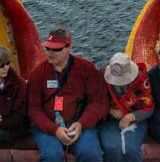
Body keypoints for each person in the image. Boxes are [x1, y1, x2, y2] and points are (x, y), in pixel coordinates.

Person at [27, 27, 107, 162]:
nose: (50, 53)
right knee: (52, 156)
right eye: (48, 48)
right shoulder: (37, 74)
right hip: (49, 126)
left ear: (69, 47)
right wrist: (55, 130)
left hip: (79, 125)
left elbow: (98, 102)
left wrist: (82, 123)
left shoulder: (86, 68)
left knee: (91, 154)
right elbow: (34, 110)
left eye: (56, 49)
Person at [98, 53, 154, 161]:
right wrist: (109, 110)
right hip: (109, 119)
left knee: (131, 149)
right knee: (112, 148)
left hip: (136, 119)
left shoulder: (142, 81)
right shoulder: (100, 76)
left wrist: (131, 117)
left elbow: (149, 108)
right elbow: (94, 102)